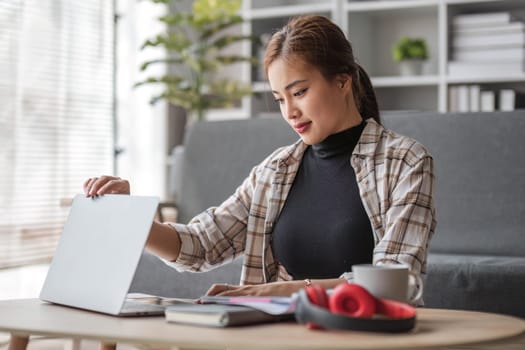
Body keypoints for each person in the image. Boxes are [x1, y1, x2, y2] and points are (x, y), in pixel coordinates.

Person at [84, 15, 436, 300]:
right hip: (281, 337)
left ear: (343, 82)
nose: (290, 112)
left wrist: (270, 293)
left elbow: (394, 280)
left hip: (364, 337)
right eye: (280, 99)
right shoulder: (275, 171)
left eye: (299, 92)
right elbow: (203, 245)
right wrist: (133, 218)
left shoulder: (405, 162)